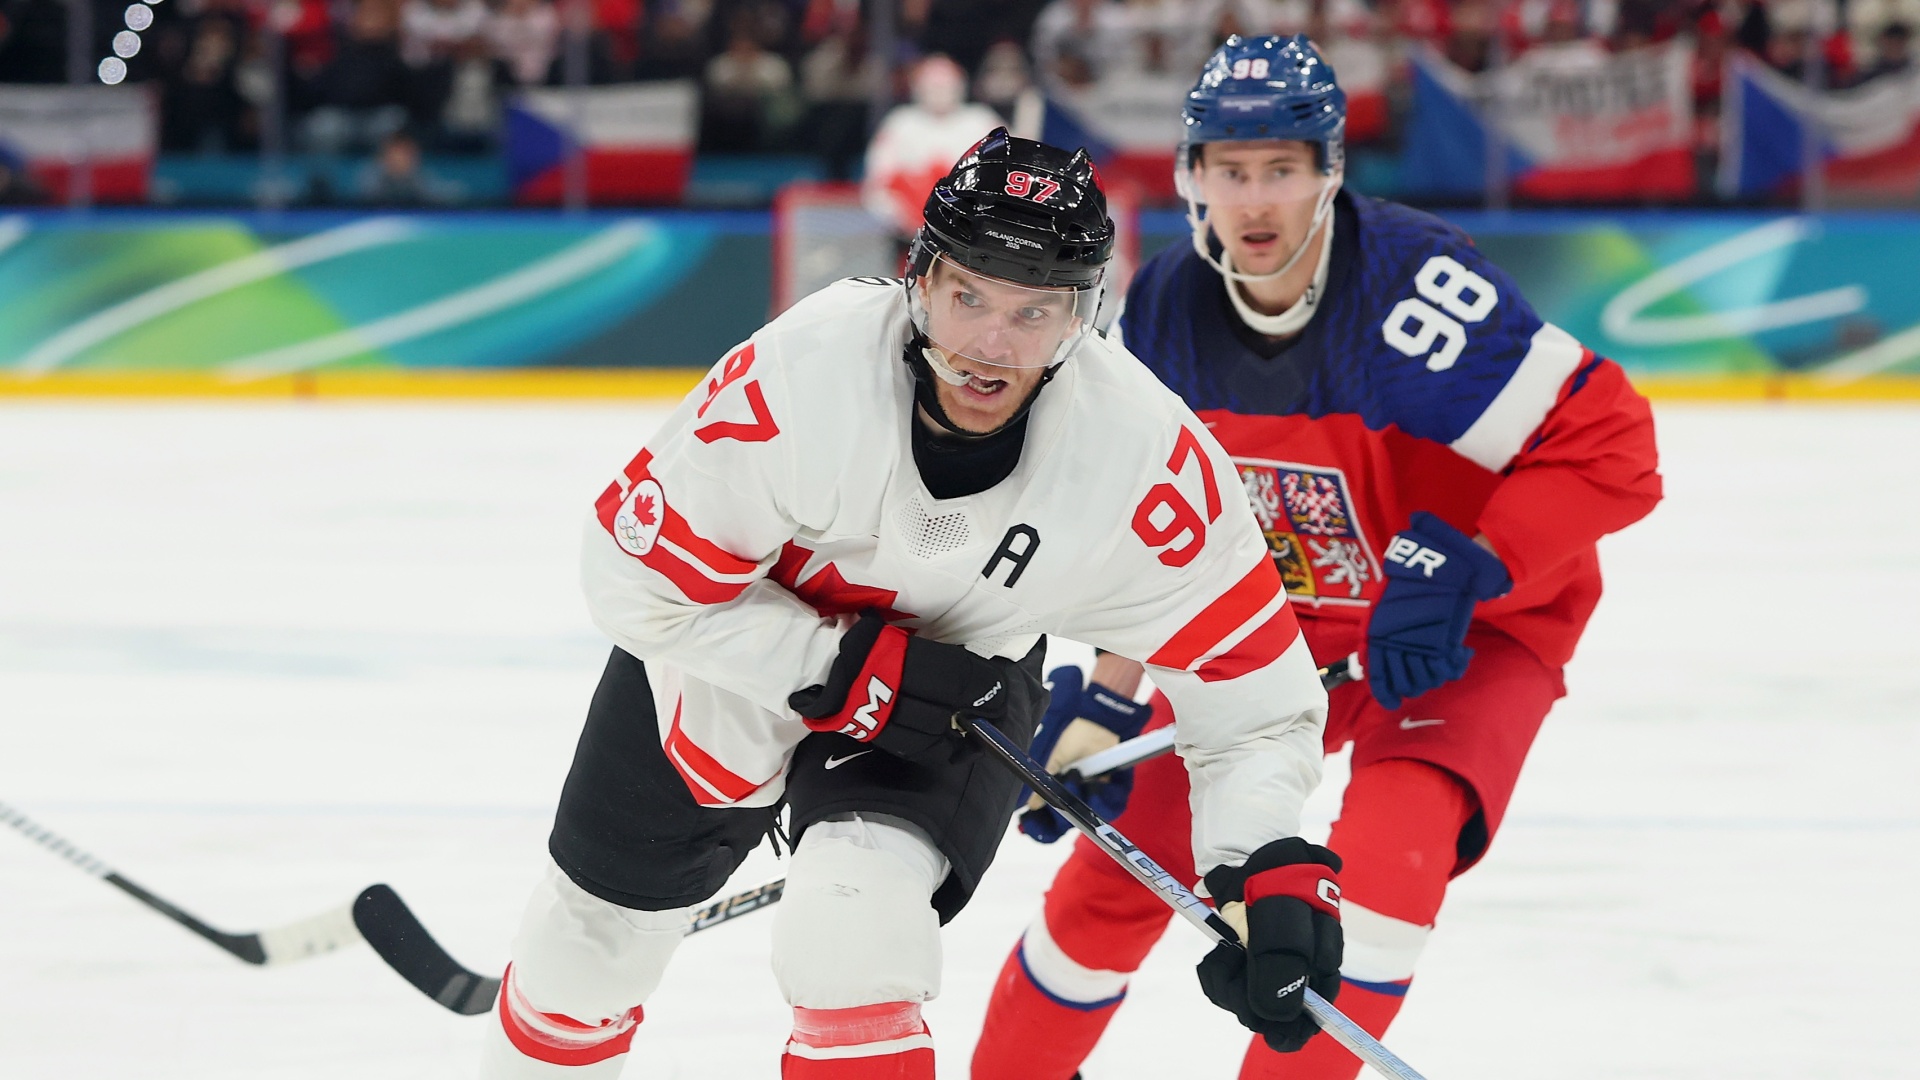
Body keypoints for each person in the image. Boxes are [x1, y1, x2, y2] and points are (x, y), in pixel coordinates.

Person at [478, 128, 1342, 1079]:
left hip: (955, 690)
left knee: (854, 929)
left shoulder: (1144, 464)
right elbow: (630, 578)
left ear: (1083, 320)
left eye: (1035, 311)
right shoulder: (801, 376)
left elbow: (1255, 707)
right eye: (969, 295)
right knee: (583, 963)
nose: (990, 345)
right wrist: (838, 672)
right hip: (724, 660)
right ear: (919, 280)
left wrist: (1269, 863)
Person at [970, 35, 1662, 1080]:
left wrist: (1476, 561)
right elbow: (1150, 528)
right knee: (1118, 877)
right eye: (1231, 171)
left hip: (1469, 631)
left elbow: (1616, 447)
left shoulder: (1413, 292)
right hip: (1283, 630)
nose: (1258, 202)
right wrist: (1113, 695)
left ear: (1330, 173)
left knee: (1381, 883)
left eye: (1283, 170)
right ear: (1191, 178)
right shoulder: (1162, 313)